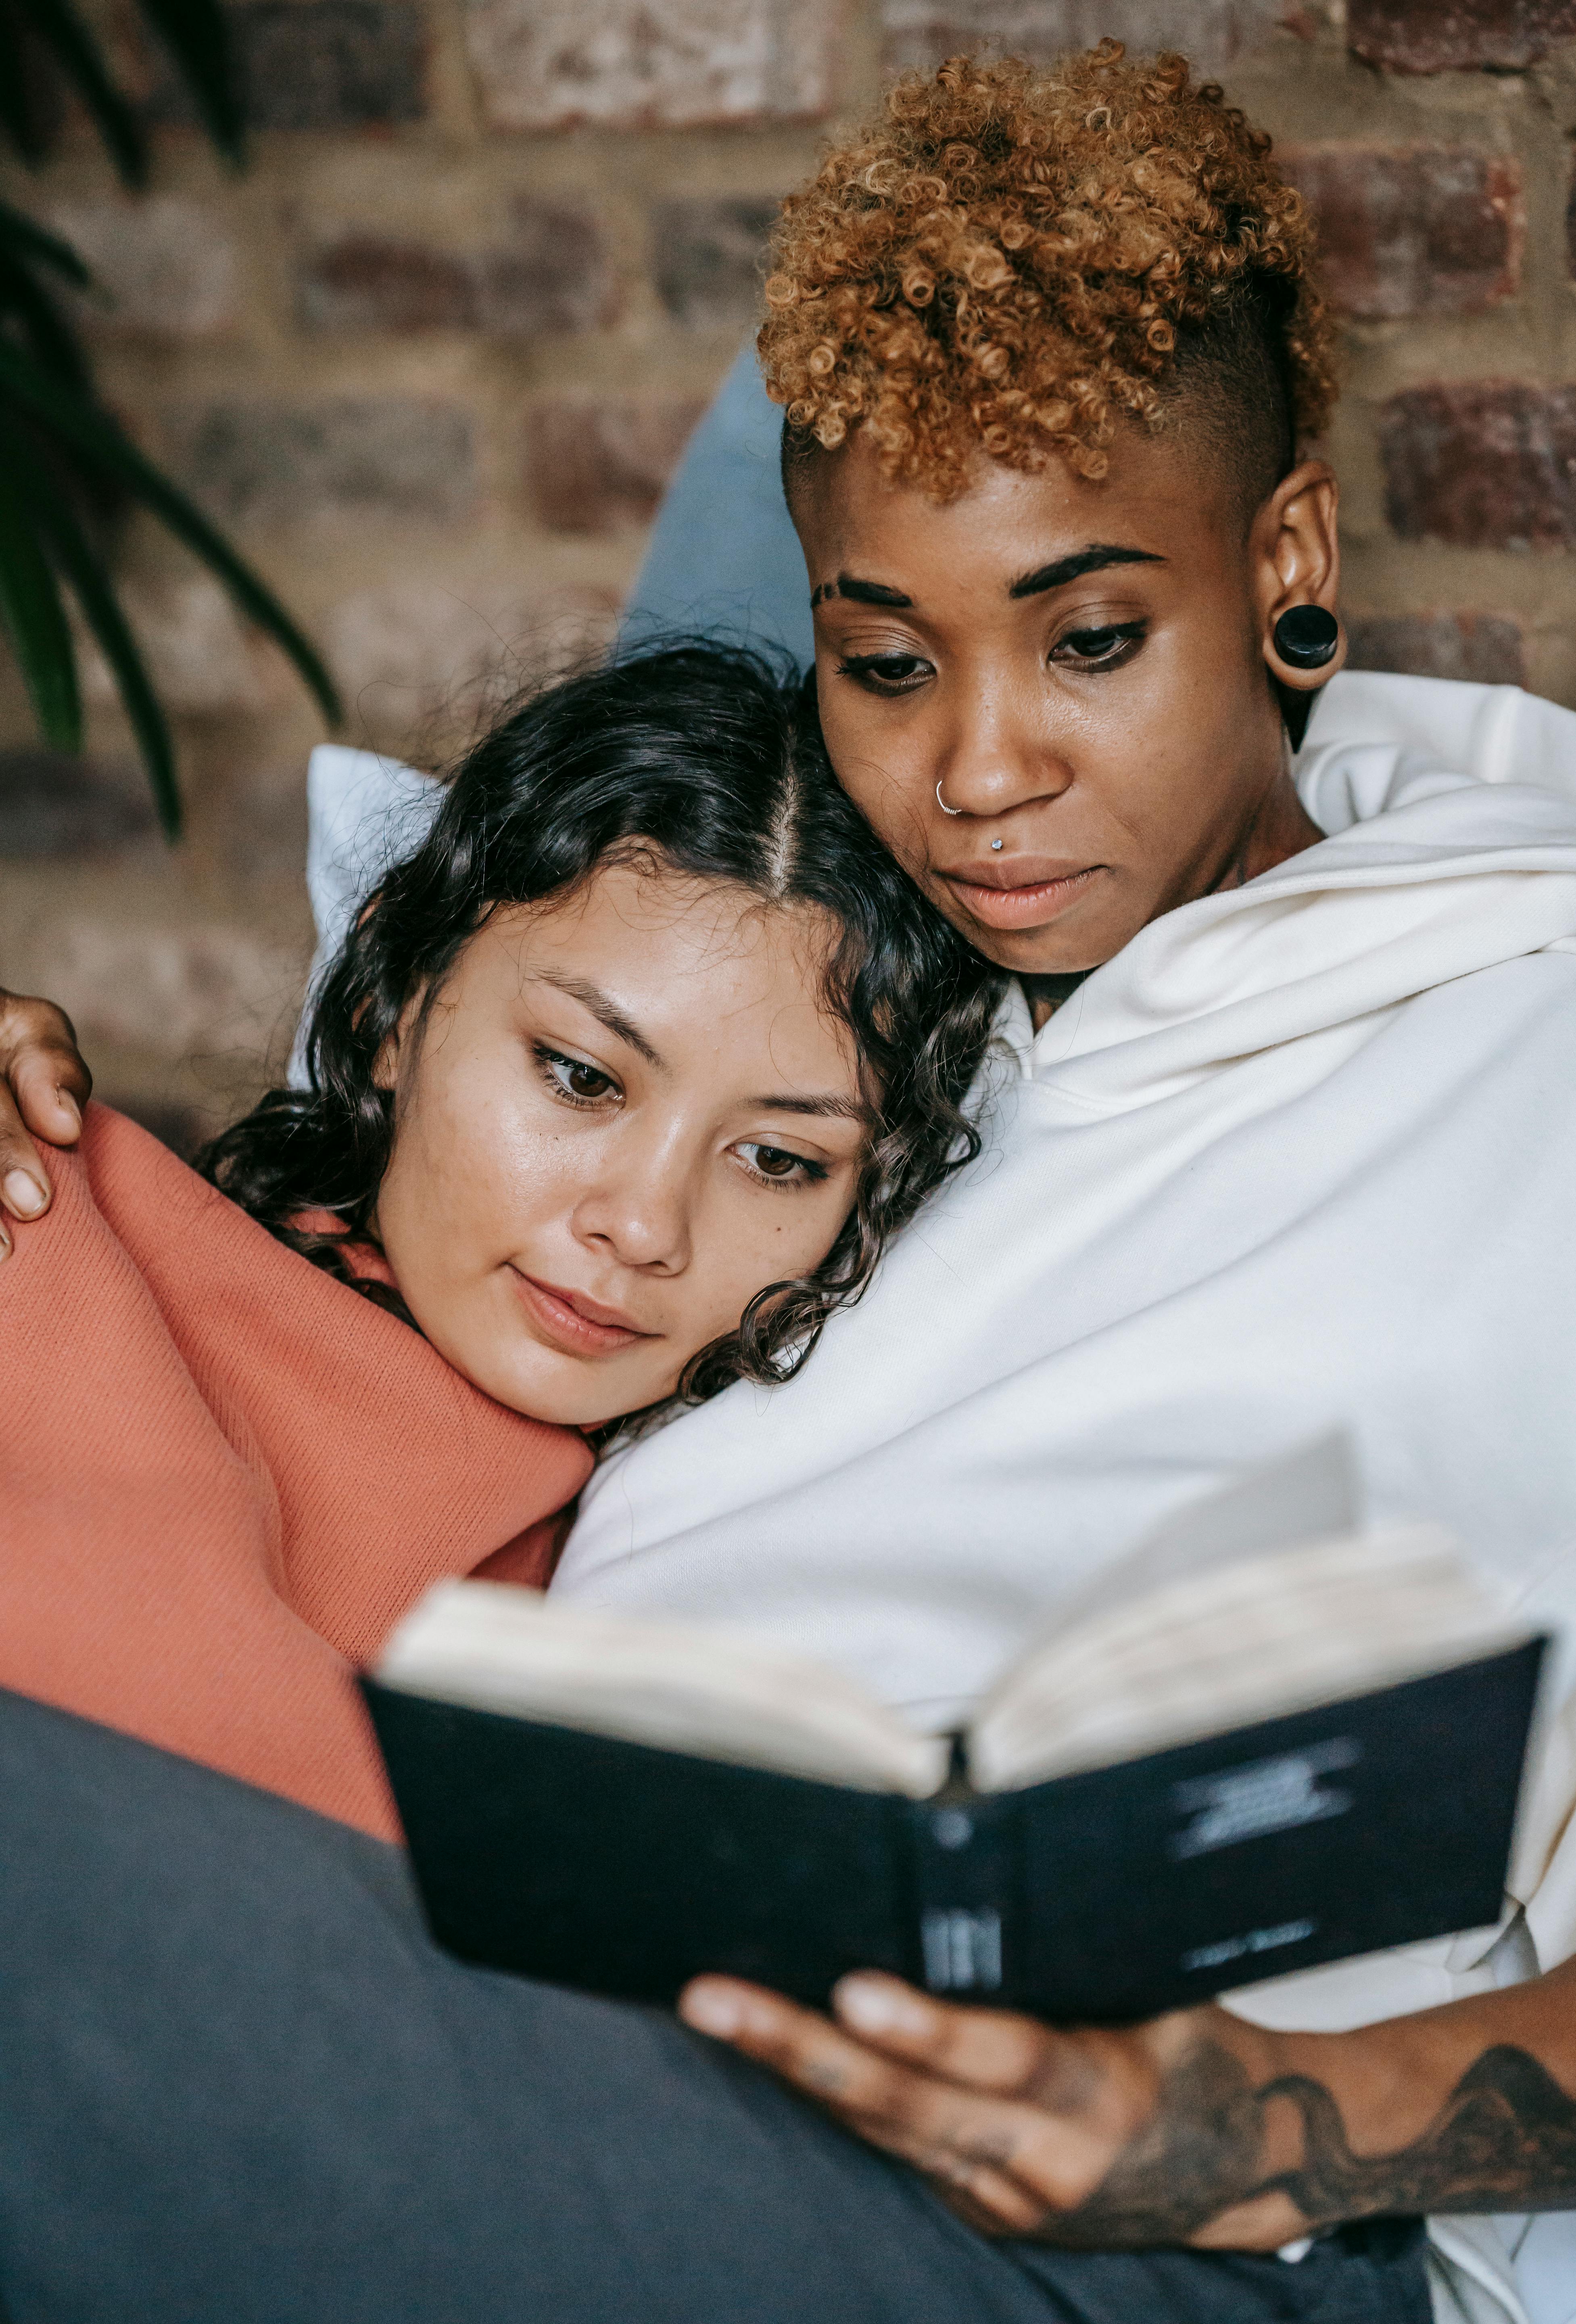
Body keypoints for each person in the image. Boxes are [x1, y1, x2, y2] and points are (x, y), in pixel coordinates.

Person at [2, 43, 1576, 2324]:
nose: (976, 773)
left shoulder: (1558, 1064)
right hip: (588, 2012)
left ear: (1286, 564)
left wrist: (1247, 2125)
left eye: (1092, 641)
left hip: (1145, 2211)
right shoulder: (848, 986)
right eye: (882, 662)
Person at [0, 641, 996, 1837]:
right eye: (580, 1076)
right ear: (390, 1008)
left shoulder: (683, 1570)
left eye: (779, 1161)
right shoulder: (44, 1214)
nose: (640, 1225)